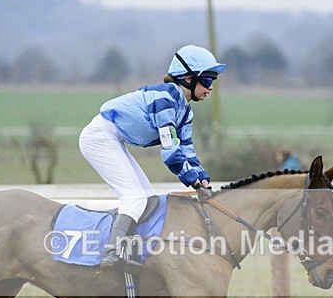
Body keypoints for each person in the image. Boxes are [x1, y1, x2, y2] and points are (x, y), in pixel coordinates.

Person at [79, 44, 225, 267]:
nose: (211, 87)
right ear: (187, 79)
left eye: (212, 81)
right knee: (135, 198)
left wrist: (201, 177)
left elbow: (186, 148)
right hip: (99, 137)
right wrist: (193, 182)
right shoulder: (164, 100)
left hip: (115, 140)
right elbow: (170, 152)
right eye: (206, 81)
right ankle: (112, 254)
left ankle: (131, 251)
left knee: (148, 200)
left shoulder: (185, 110)